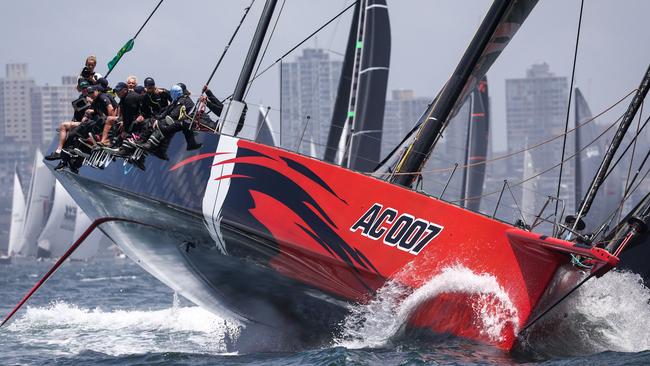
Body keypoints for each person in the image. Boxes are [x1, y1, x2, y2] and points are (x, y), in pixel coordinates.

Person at [137, 84, 201, 159]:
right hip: (185, 123)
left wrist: (159, 121)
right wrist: (157, 118)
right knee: (158, 122)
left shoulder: (182, 100)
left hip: (189, 123)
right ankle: (159, 149)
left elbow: (174, 114)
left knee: (164, 124)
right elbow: (166, 110)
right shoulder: (177, 100)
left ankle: (150, 144)